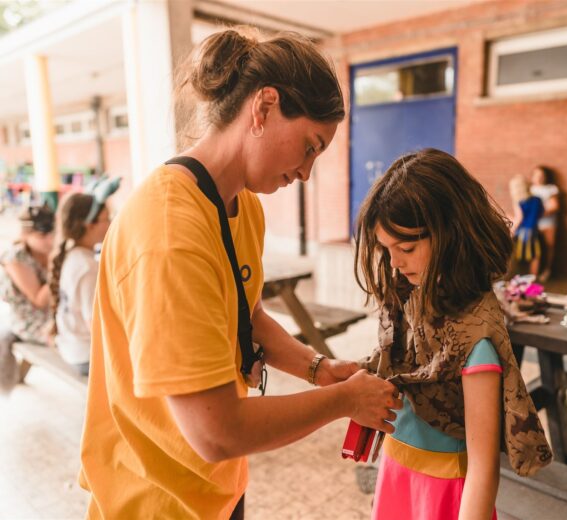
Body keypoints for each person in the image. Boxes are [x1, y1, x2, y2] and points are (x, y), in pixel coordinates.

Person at [78, 28, 401, 519]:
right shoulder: (169, 233)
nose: (307, 172)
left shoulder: (241, 204)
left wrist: (318, 369)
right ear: (264, 107)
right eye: (311, 146)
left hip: (212, 490)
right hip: (155, 499)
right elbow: (216, 431)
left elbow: (243, 316)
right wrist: (342, 401)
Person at [354, 149, 552, 520]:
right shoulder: (412, 304)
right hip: (398, 472)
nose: (395, 263)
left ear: (449, 236)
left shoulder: (476, 343)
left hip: (446, 493)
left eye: (407, 248)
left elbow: (482, 468)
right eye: (387, 250)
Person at [49, 178, 119, 376]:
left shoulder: (73, 254)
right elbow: (96, 327)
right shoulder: (87, 267)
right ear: (90, 225)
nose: (111, 223)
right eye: (107, 218)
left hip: (71, 348)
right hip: (85, 356)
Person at [0, 204, 54, 344]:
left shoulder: (48, 251)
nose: (50, 239)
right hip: (30, 321)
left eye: (52, 233)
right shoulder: (16, 258)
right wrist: (57, 269)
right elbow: (39, 301)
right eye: (42, 236)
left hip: (53, 316)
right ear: (26, 234)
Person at [509, 174, 544, 278]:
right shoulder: (537, 199)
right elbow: (541, 213)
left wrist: (512, 228)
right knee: (535, 256)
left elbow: (519, 218)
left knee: (518, 256)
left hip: (522, 232)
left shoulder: (519, 202)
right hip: (534, 230)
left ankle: (517, 278)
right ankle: (533, 278)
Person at [530, 165, 559, 282]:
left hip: (548, 223)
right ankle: (533, 273)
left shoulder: (551, 189)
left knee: (548, 246)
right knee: (535, 248)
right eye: (536, 175)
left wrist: (537, 213)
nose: (539, 178)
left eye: (541, 175)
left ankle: (546, 270)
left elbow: (554, 206)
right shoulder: (530, 189)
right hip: (533, 223)